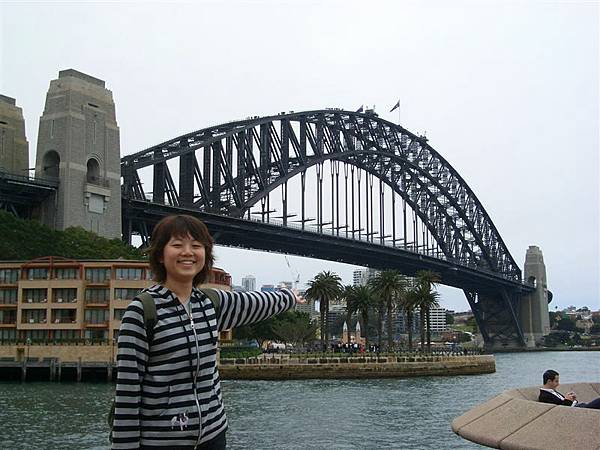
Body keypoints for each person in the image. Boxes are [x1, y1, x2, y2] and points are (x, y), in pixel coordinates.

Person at [111, 214, 304, 449]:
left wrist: (289, 297)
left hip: (213, 436)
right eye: (177, 245)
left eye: (196, 246)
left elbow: (255, 302)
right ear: (160, 254)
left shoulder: (210, 304)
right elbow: (127, 395)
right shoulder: (142, 312)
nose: (187, 252)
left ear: (205, 254)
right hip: (161, 442)